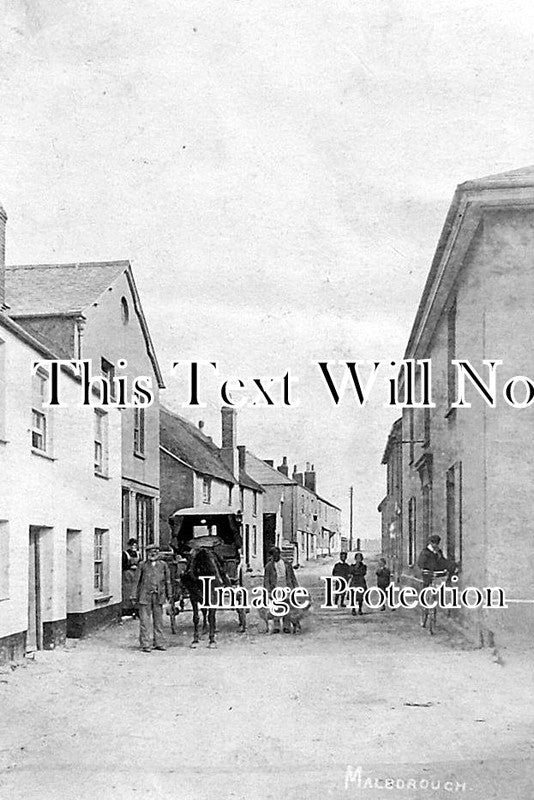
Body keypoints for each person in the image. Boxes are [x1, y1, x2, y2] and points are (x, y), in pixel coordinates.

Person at [135, 543, 172, 652]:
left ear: (158, 553)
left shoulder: (163, 565)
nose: (153, 554)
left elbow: (168, 581)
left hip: (158, 596)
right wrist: (133, 595)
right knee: (144, 621)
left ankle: (159, 643)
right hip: (145, 596)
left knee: (159, 621)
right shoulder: (142, 565)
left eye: (155, 551)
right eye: (150, 552)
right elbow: (136, 581)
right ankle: (145, 644)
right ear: (147, 553)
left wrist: (169, 595)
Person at [416, 535, 456, 628]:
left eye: (437, 543)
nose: (435, 545)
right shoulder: (425, 552)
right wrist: (424, 569)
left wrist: (451, 566)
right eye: (433, 543)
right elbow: (420, 563)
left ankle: (433, 606)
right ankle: (424, 609)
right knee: (426, 590)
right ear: (430, 543)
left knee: (437, 591)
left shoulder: (438, 552)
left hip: (437, 575)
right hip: (427, 575)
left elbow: (443, 561)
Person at [264, 546, 298, 633]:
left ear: (279, 554)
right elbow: (266, 579)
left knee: (287, 606)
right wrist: (268, 591)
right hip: (275, 588)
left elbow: (292, 576)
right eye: (273, 555)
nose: (274, 557)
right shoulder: (269, 566)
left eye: (276, 555)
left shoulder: (286, 564)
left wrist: (296, 588)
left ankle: (286, 626)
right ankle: (276, 626)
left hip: (286, 587)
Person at [121, 538, 140, 617]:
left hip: (136, 574)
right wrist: (130, 566)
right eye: (132, 545)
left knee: (136, 590)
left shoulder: (138, 554)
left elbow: (140, 563)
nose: (133, 547)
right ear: (129, 545)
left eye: (135, 545)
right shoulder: (125, 554)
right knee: (127, 590)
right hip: (127, 574)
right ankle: (127, 609)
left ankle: (136, 608)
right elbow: (123, 565)